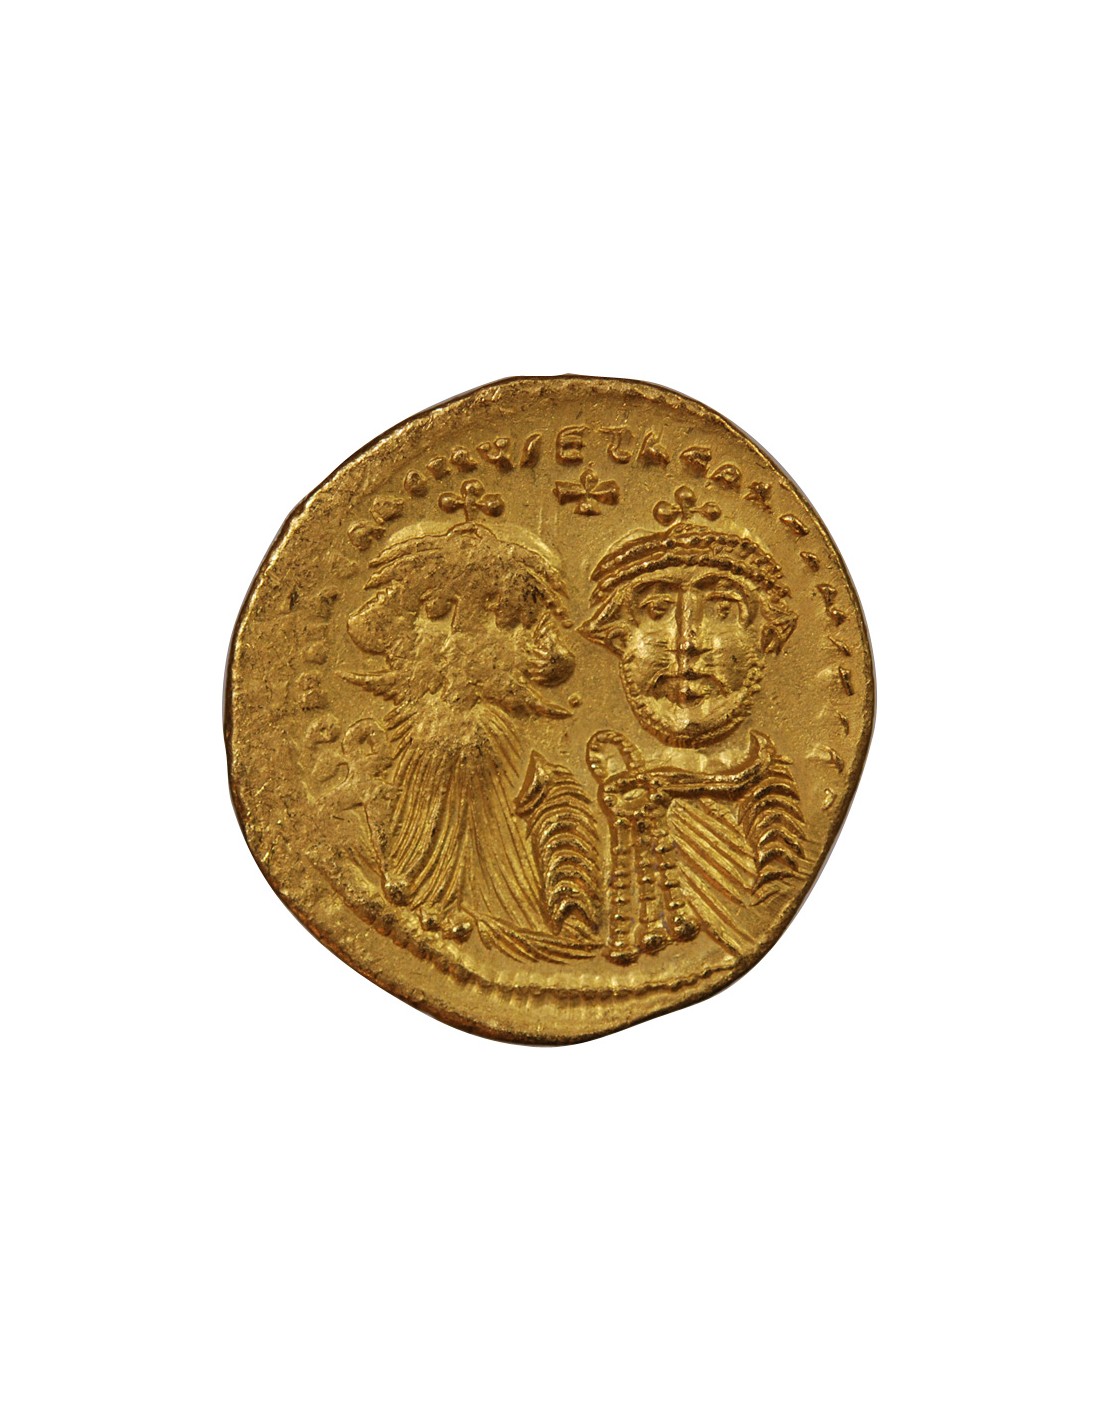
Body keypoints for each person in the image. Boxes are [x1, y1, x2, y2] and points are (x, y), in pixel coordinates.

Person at [334, 490, 601, 964]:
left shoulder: (554, 800)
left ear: (529, 643)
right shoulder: (360, 795)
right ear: (397, 631)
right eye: (436, 611)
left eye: (498, 615)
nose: (463, 635)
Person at [580, 493, 805, 963]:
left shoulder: (783, 805)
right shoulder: (588, 795)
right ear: (617, 637)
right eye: (656, 610)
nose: (687, 641)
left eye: (722, 609)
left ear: (766, 634)